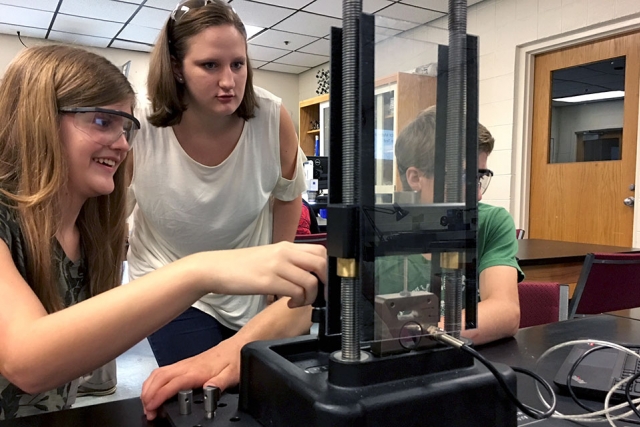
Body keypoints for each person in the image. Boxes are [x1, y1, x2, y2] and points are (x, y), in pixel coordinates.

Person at [0, 44, 325, 420]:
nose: (122, 145)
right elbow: (28, 361)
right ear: (38, 120)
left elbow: (299, 314)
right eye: (103, 122)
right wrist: (201, 271)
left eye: (126, 128)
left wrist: (224, 355)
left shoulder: (90, 230)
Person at [129, 0, 312, 418]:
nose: (229, 81)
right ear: (177, 67)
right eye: (210, 65)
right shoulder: (142, 122)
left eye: (238, 64)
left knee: (258, 395)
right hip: (168, 283)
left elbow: (287, 195)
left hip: (247, 285)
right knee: (201, 401)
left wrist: (276, 275)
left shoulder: (271, 116)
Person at [377, 106, 522, 345]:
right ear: (415, 178)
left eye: (480, 178)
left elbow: (505, 311)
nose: (477, 196)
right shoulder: (379, 232)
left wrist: (417, 335)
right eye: (465, 178)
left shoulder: (490, 222)